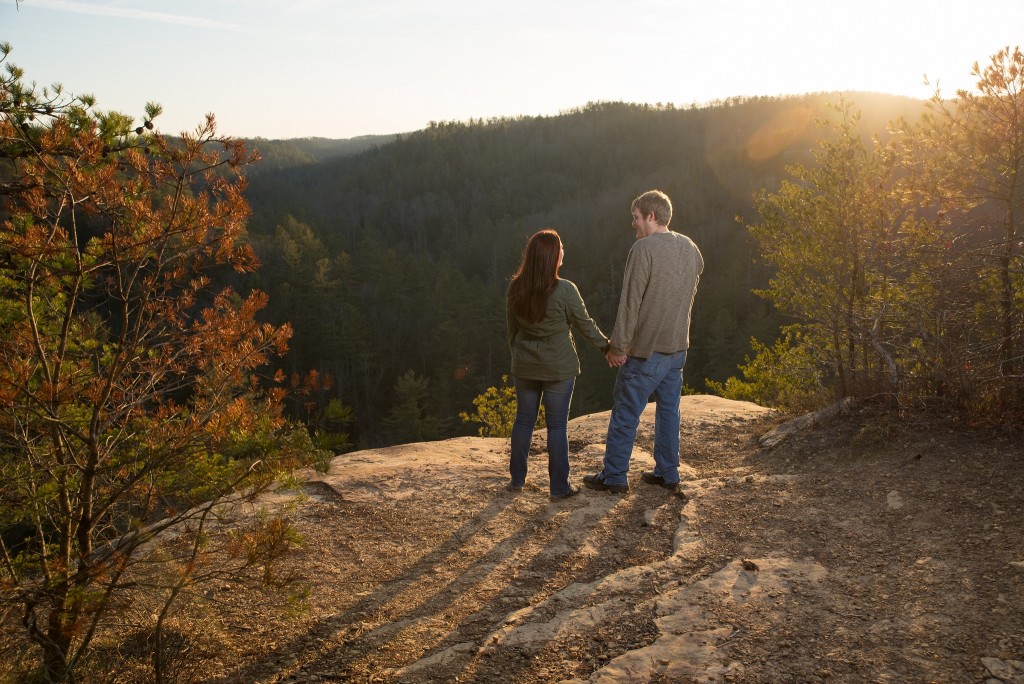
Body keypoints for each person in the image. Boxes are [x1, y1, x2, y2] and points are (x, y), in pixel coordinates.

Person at [583, 190, 703, 494]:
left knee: (626, 412)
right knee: (668, 411)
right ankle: (668, 471)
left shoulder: (643, 249)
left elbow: (630, 303)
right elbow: (695, 276)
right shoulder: (689, 247)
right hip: (678, 348)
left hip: (646, 351)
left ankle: (614, 476)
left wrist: (618, 347)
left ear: (651, 216)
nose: (633, 224)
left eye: (636, 217)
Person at [506, 229, 610, 501]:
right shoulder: (565, 290)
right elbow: (585, 326)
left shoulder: (516, 287)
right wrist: (608, 348)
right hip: (558, 368)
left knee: (524, 421)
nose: (564, 250)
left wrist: (521, 356)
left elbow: (512, 332)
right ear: (552, 256)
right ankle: (559, 488)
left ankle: (516, 480)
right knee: (556, 427)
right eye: (561, 247)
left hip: (525, 366)